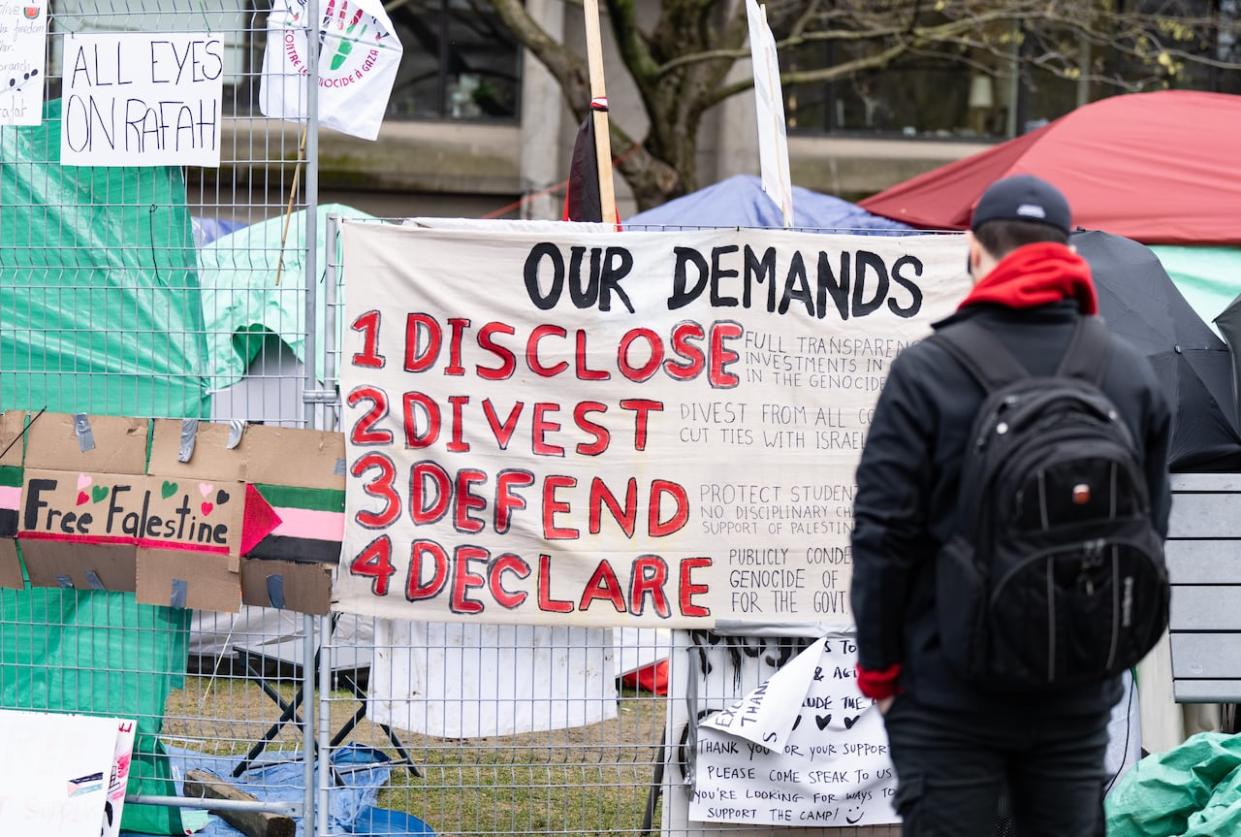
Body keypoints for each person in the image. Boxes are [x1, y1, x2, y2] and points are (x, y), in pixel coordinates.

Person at [850, 175, 1172, 837]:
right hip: (1076, 690)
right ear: (1065, 251)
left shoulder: (927, 370)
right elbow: (1150, 531)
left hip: (946, 690)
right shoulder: (1128, 373)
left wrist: (879, 668)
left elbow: (882, 536)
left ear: (974, 250)